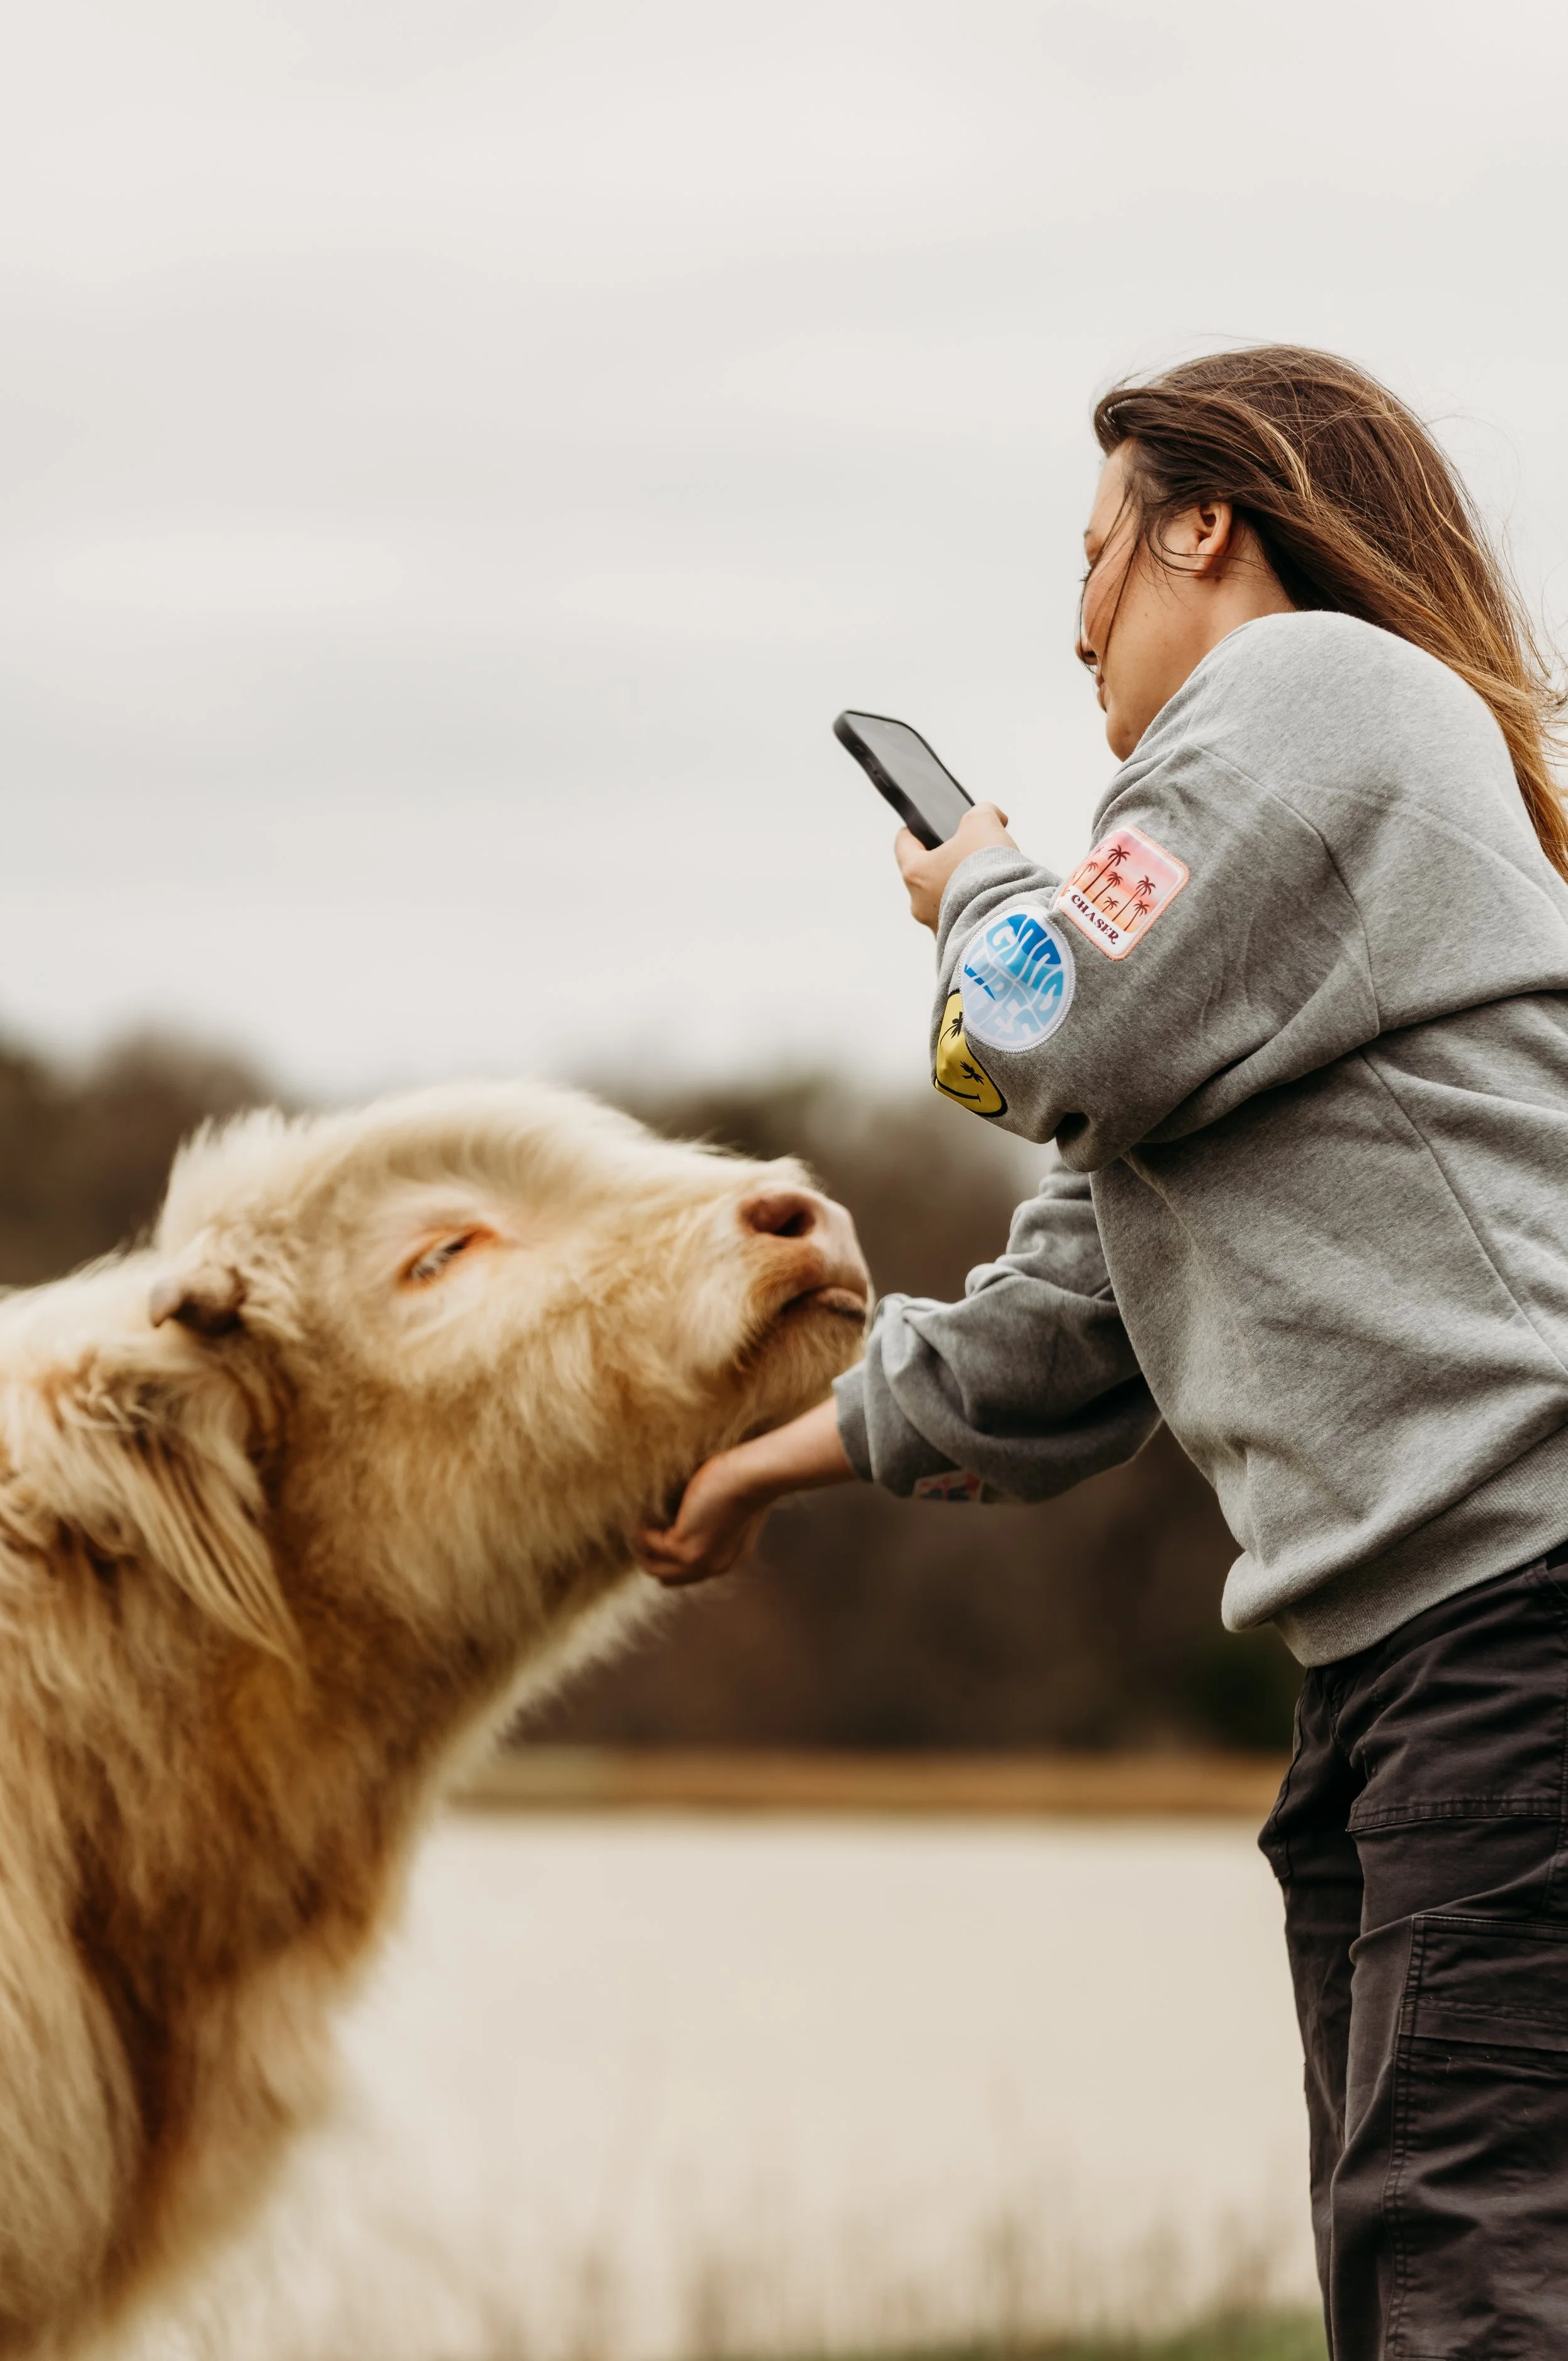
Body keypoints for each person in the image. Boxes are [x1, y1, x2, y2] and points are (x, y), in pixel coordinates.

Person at [635, 344, 1568, 2357]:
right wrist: (748, 1472)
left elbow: (1047, 1018)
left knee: (1468, 2276)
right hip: (1420, 1660)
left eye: (1091, 561)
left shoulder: (1302, 692)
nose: (1071, 629)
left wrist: (980, 878)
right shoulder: (1254, 934)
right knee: (1432, 2269)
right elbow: (1072, 1330)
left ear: (1202, 527)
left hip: (1518, 1622)